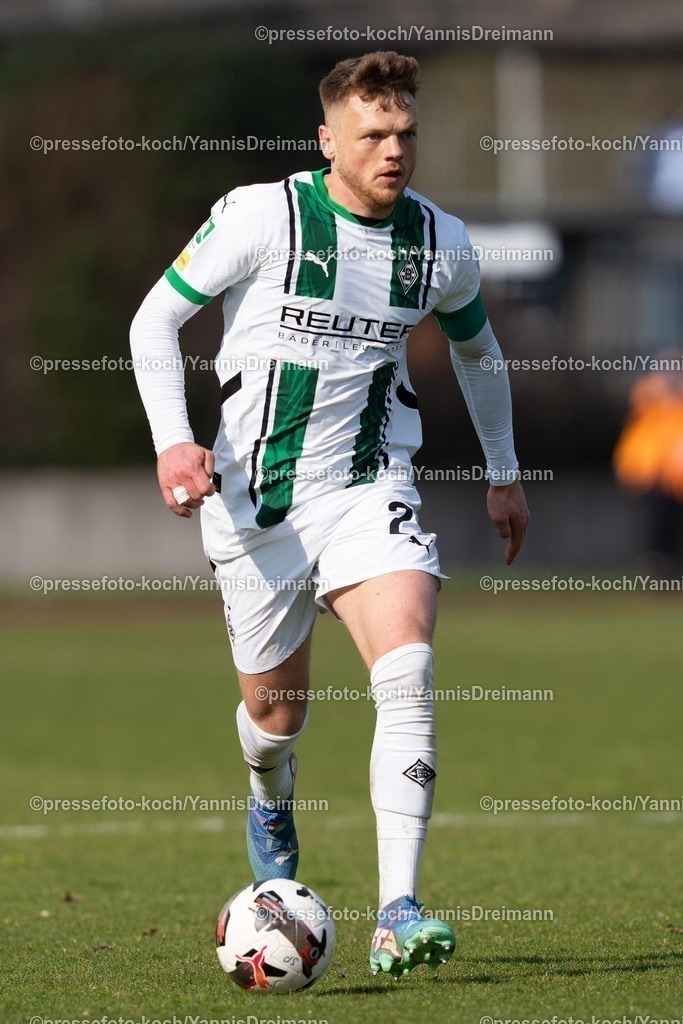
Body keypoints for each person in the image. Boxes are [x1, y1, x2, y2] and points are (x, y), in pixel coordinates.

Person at [130, 50, 529, 978]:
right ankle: (270, 795)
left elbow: (478, 352)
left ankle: (398, 910)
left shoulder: (439, 242)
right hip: (254, 504)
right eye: (373, 134)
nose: (393, 151)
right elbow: (155, 321)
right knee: (274, 717)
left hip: (368, 486)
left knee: (408, 668)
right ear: (327, 139)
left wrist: (504, 472)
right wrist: (173, 442)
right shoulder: (259, 215)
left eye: (406, 133)